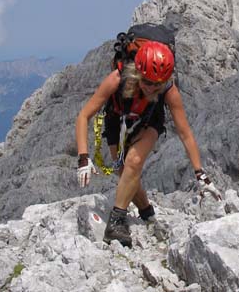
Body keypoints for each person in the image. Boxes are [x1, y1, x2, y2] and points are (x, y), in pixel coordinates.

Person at [75, 40, 221, 247]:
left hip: (150, 121)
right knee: (125, 173)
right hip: (117, 121)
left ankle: (116, 223)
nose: (152, 88)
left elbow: (185, 133)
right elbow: (83, 116)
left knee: (133, 162)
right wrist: (83, 158)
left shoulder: (168, 90)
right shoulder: (117, 79)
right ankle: (147, 214)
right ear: (137, 73)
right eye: (147, 82)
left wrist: (201, 174)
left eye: (157, 84)